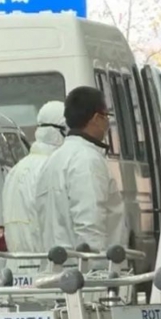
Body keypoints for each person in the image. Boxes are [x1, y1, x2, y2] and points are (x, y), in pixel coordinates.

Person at [36, 87, 128, 257]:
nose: (108, 123)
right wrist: (96, 267)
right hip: (86, 268)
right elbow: (90, 225)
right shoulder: (88, 160)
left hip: (57, 263)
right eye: (107, 116)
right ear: (96, 118)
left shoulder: (54, 159)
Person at [3, 101, 66, 257]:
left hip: (17, 264)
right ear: (62, 130)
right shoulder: (52, 169)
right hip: (49, 262)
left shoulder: (16, 170)